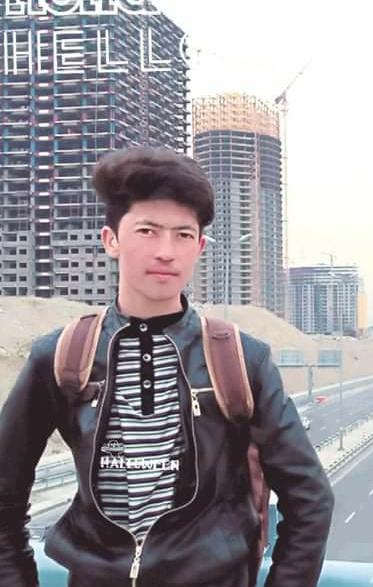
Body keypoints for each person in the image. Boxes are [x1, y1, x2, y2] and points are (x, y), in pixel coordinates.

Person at [0, 146, 334, 587]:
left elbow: (310, 498)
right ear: (111, 240)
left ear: (200, 247)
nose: (165, 251)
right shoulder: (61, 356)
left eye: (182, 235)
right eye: (147, 231)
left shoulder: (241, 359)